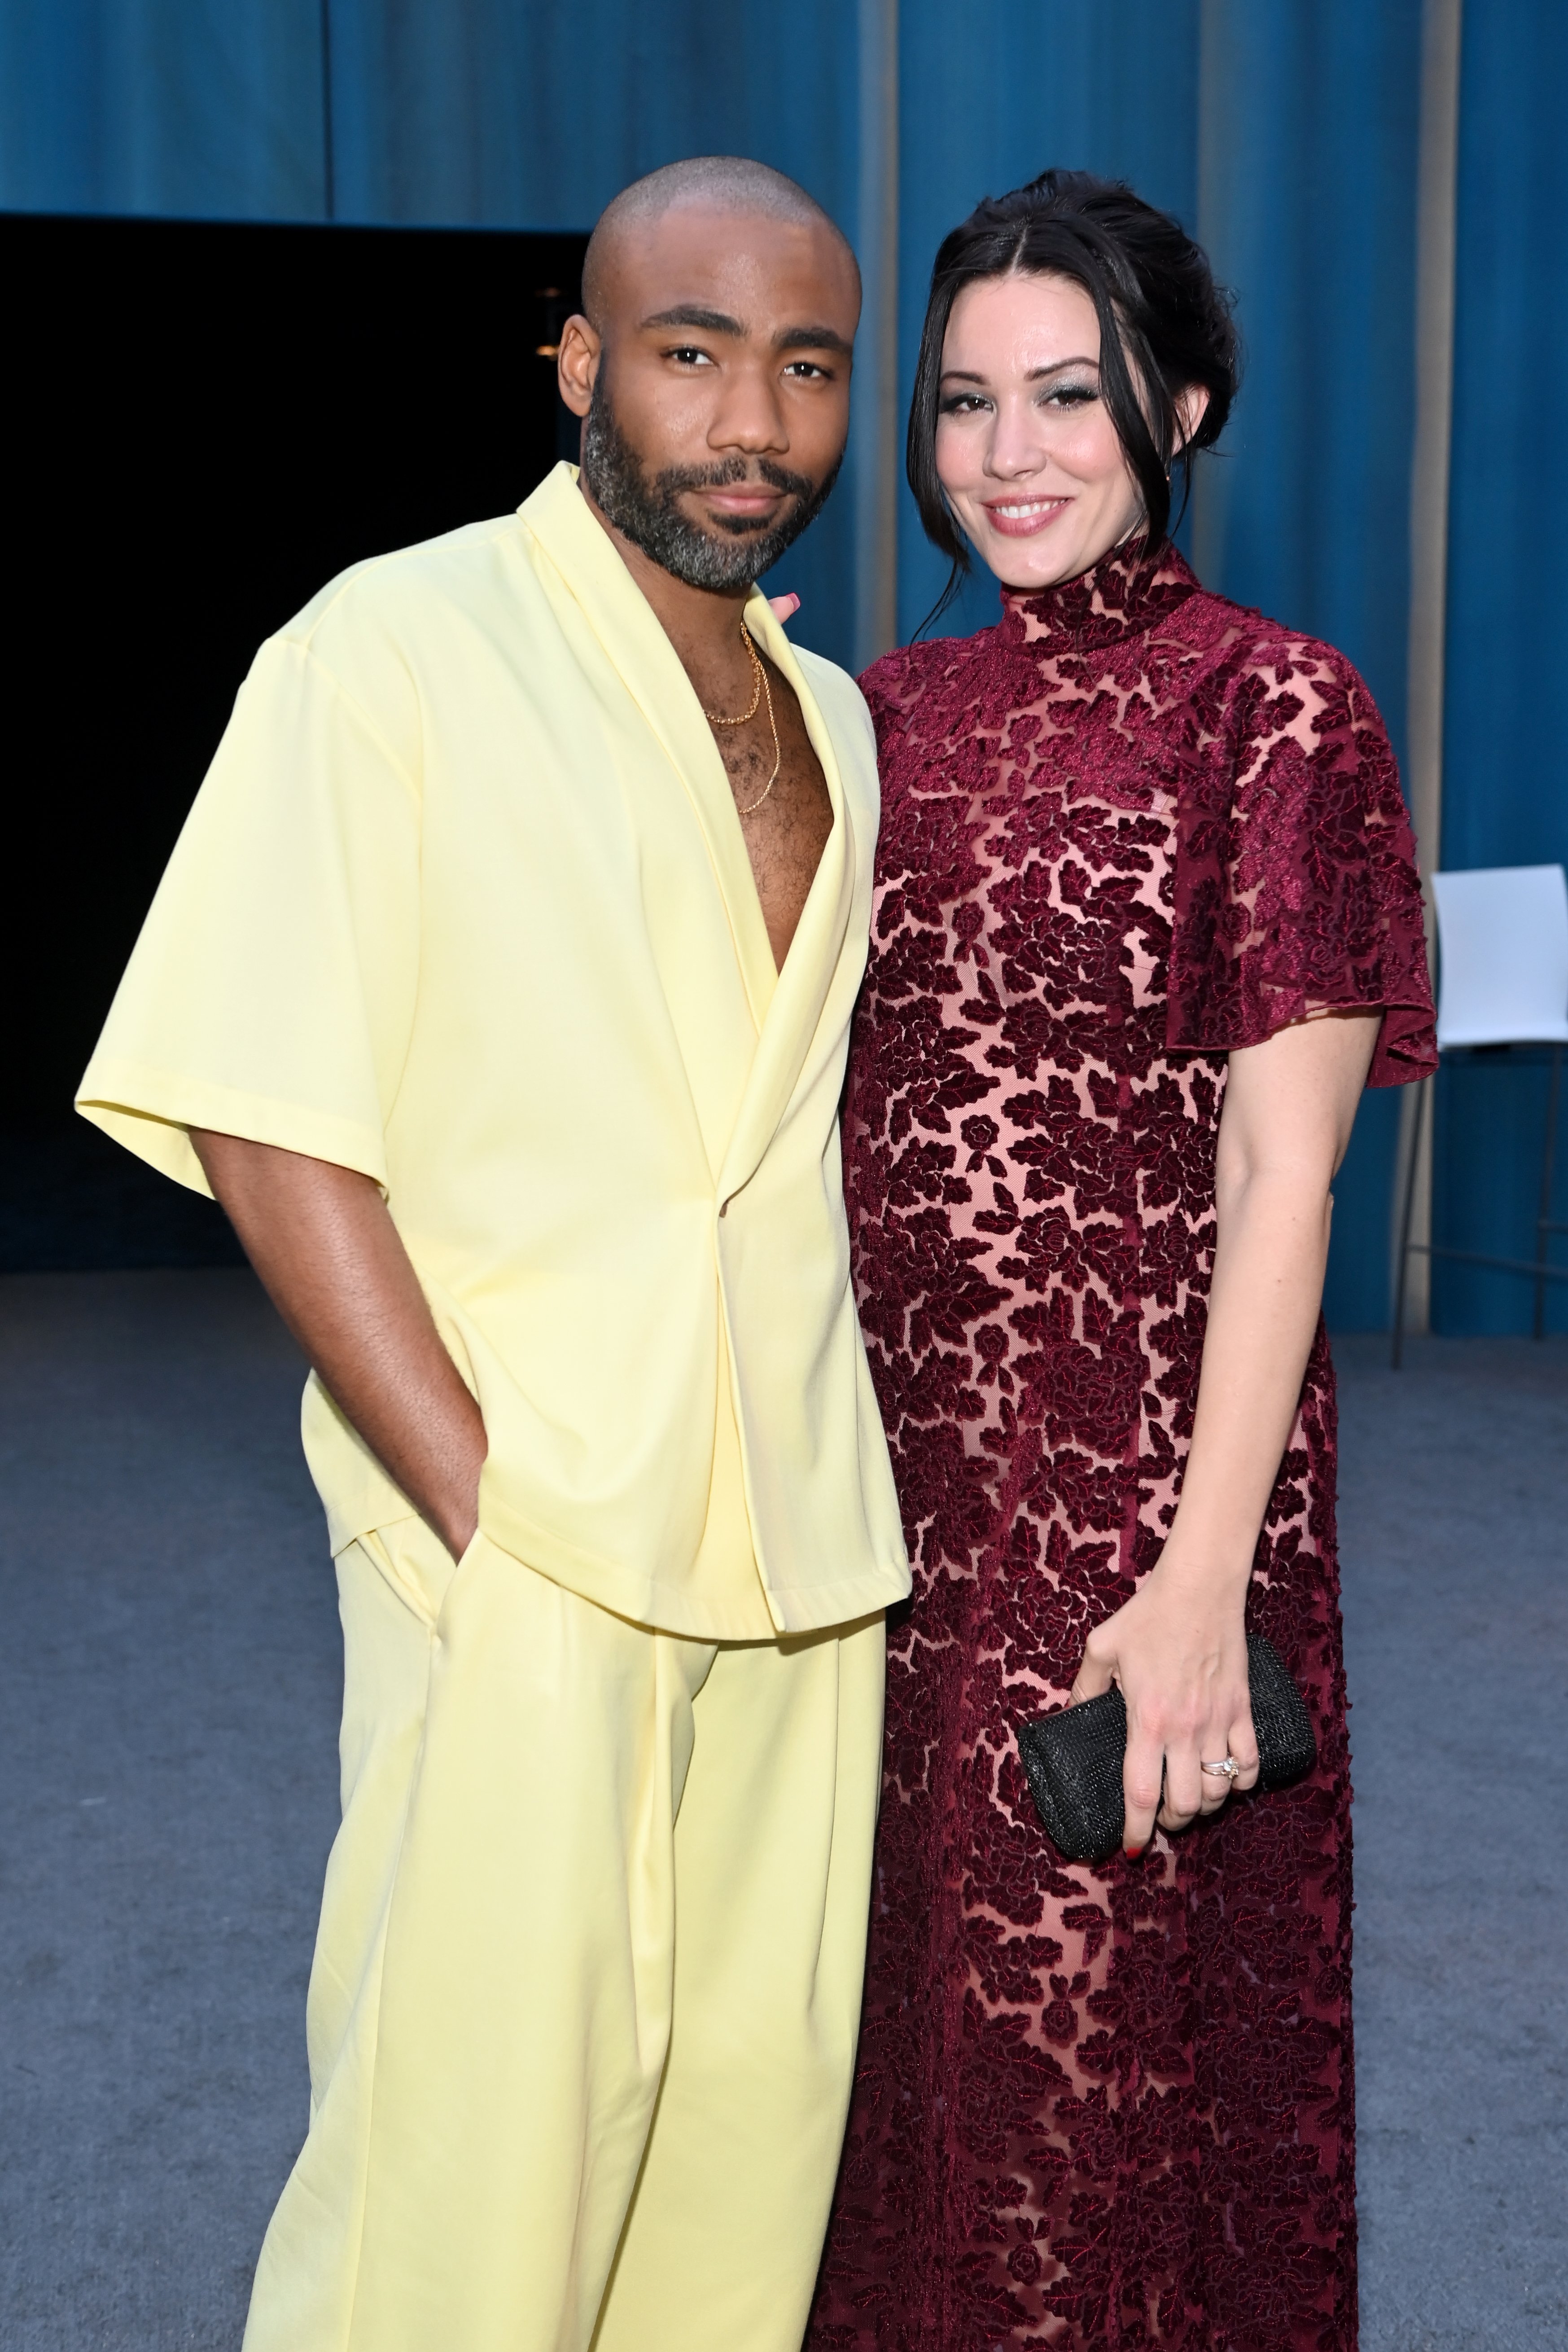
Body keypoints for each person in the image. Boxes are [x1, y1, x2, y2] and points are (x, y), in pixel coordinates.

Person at [76, 155, 910, 2352]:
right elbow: (267, 1105)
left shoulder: (832, 720)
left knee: (742, 2154)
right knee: (464, 2175)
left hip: (803, 1551)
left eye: (806, 367)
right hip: (532, 1529)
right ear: (580, 365)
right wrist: (477, 1495)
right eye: (692, 353)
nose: (753, 421)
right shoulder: (393, 647)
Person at [807, 170, 1435, 2352]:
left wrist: (1196, 1586)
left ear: (1177, 401)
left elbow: (1288, 1178)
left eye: (1068, 394)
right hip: (875, 1514)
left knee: (1094, 2104)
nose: (1008, 453)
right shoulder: (872, 718)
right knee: (879, 2093)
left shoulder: (1279, 714)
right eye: (966, 400)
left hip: (1130, 1516)